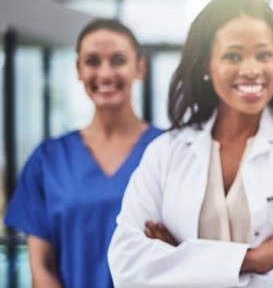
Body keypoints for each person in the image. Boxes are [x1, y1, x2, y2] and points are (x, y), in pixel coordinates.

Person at [108, 0, 273, 287]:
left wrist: (183, 260)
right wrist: (251, 259)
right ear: (206, 65)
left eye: (264, 54)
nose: (252, 69)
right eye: (233, 56)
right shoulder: (167, 152)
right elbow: (128, 264)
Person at [5, 19, 162, 287]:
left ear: (140, 68)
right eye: (92, 61)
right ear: (78, 69)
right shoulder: (48, 160)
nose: (105, 73)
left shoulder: (168, 151)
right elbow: (41, 267)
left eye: (118, 60)